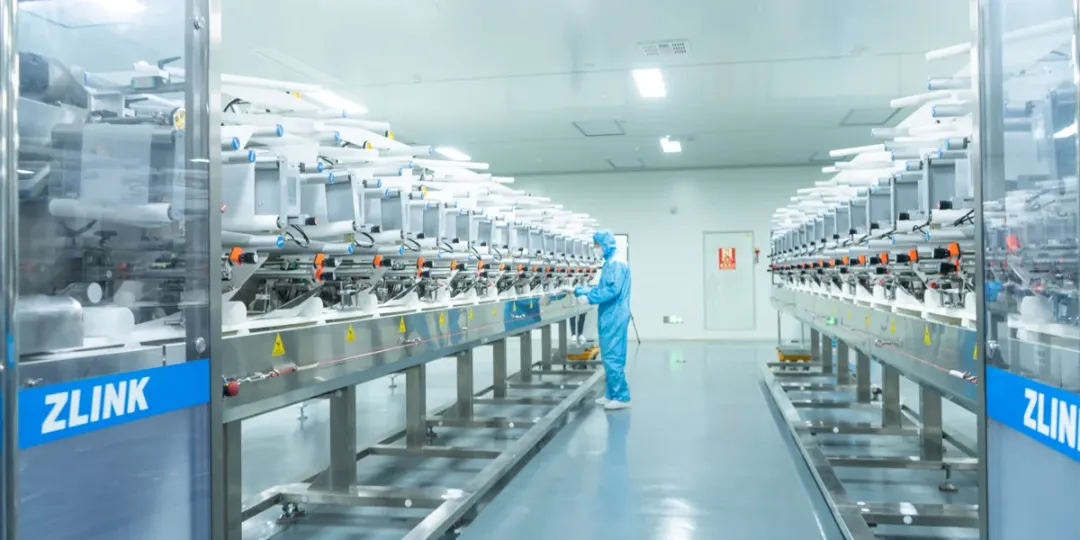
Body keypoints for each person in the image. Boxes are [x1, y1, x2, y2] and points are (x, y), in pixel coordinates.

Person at [574, 231, 632, 411]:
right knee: (608, 355)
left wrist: (589, 298)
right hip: (609, 313)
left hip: (615, 314)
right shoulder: (610, 263)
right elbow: (602, 288)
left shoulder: (616, 264)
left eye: (597, 245)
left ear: (606, 245)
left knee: (613, 356)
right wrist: (584, 290)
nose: (595, 249)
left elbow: (612, 290)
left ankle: (622, 396)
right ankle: (611, 393)